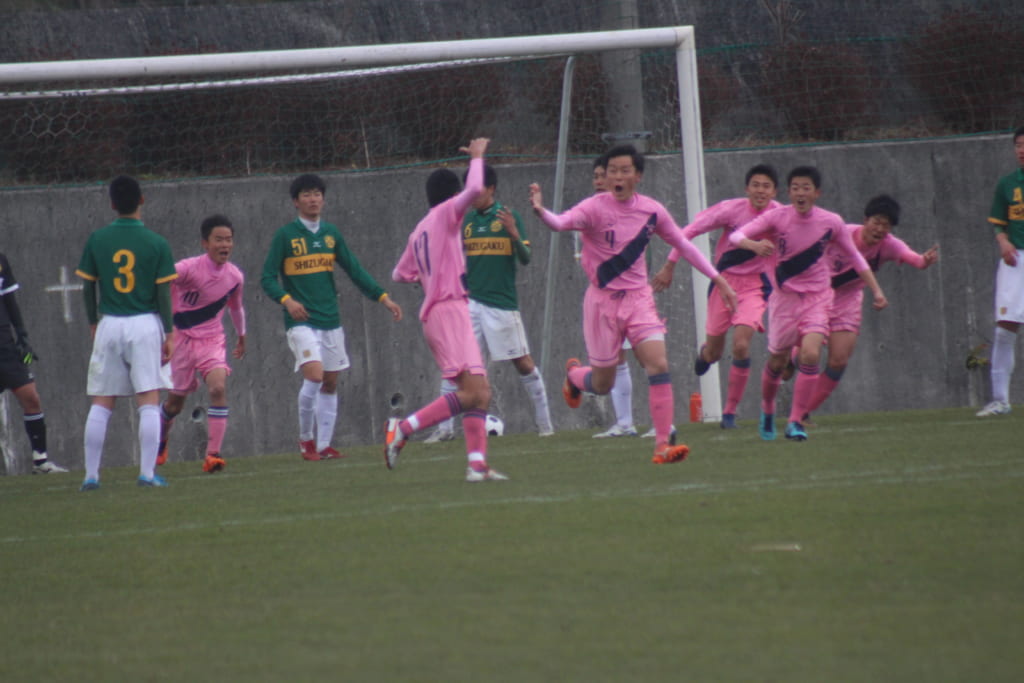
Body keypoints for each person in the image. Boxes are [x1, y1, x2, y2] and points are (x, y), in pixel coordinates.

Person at [529, 144, 738, 464]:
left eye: (625, 170)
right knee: (602, 383)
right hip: (601, 304)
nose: (618, 176)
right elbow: (561, 223)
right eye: (613, 170)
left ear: (637, 176)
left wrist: (719, 278)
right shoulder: (594, 208)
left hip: (639, 299)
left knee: (658, 364)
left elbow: (684, 244)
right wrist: (542, 211)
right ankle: (574, 377)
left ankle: (661, 446)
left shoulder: (652, 211)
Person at [729, 166, 888, 442]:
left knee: (811, 354)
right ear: (788, 192)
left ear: (817, 193)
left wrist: (876, 291)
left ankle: (794, 421)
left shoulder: (831, 222)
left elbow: (856, 257)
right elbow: (736, 235)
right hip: (784, 299)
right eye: (795, 188)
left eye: (806, 188)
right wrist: (753, 245)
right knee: (778, 361)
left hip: (817, 297)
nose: (800, 193)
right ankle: (767, 410)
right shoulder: (777, 217)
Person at [387, 137, 508, 482]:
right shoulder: (445, 215)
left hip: (441, 313)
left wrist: (426, 277)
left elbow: (399, 273)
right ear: (452, 195)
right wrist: (479, 158)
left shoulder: (419, 229)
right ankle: (405, 428)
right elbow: (473, 188)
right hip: (449, 311)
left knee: (480, 392)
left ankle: (477, 465)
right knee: (473, 392)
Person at [261, 173, 403, 461]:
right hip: (301, 322)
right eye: (306, 195)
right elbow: (266, 278)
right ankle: (305, 442)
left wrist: (383, 297)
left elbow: (354, 270)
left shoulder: (330, 234)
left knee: (330, 382)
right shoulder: (285, 236)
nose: (313, 199)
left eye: (317, 194)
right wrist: (287, 301)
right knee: (313, 376)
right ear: (295, 201)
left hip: (331, 320)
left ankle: (324, 445)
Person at [424, 164, 554, 442]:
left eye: (478, 187)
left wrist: (514, 235)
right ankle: (445, 429)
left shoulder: (509, 217)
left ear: (492, 188)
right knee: (456, 365)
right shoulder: (466, 222)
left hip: (502, 305)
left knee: (523, 363)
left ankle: (546, 425)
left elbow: (526, 257)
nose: (473, 194)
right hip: (470, 304)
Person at [652, 164, 782, 429]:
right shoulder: (731, 210)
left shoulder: (781, 215)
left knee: (742, 344)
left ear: (774, 191)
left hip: (756, 286)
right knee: (715, 351)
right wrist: (670, 263)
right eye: (755, 185)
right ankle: (705, 354)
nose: (760, 190)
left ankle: (729, 414)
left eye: (766, 186)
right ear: (747, 188)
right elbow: (687, 232)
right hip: (724, 284)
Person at [75, 175, 177, 490]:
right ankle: (146, 473)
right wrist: (169, 332)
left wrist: (93, 320)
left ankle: (91, 475)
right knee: (148, 399)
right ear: (142, 200)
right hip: (145, 323)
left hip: (110, 322)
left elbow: (87, 285)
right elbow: (163, 294)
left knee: (101, 402)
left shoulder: (97, 239)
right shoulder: (157, 243)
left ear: (112, 204)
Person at [800, 195, 938, 420]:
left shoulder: (889, 245)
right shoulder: (840, 233)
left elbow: (913, 258)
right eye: (876, 222)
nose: (879, 229)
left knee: (839, 359)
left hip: (848, 300)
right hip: (817, 295)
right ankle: (790, 360)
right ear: (865, 220)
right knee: (807, 354)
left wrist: (924, 260)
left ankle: (803, 412)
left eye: (886, 225)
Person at [157, 214, 247, 474]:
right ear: (205, 243)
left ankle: (213, 455)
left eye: (229, 240)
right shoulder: (188, 268)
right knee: (175, 403)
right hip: (182, 340)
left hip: (211, 339)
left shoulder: (234, 277)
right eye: (218, 239)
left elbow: (237, 308)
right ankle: (161, 440)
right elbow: (164, 280)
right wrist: (168, 326)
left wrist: (242, 335)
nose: (225, 245)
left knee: (218, 388)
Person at [0, 252, 67, 474]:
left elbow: (9, 300)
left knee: (31, 397)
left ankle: (41, 462)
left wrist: (22, 335)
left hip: (5, 346)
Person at [977, 125, 1024, 417]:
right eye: (1018, 145)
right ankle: (1000, 400)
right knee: (1005, 327)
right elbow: (998, 222)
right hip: (1016, 260)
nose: (1022, 149)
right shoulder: (1007, 184)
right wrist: (1003, 240)